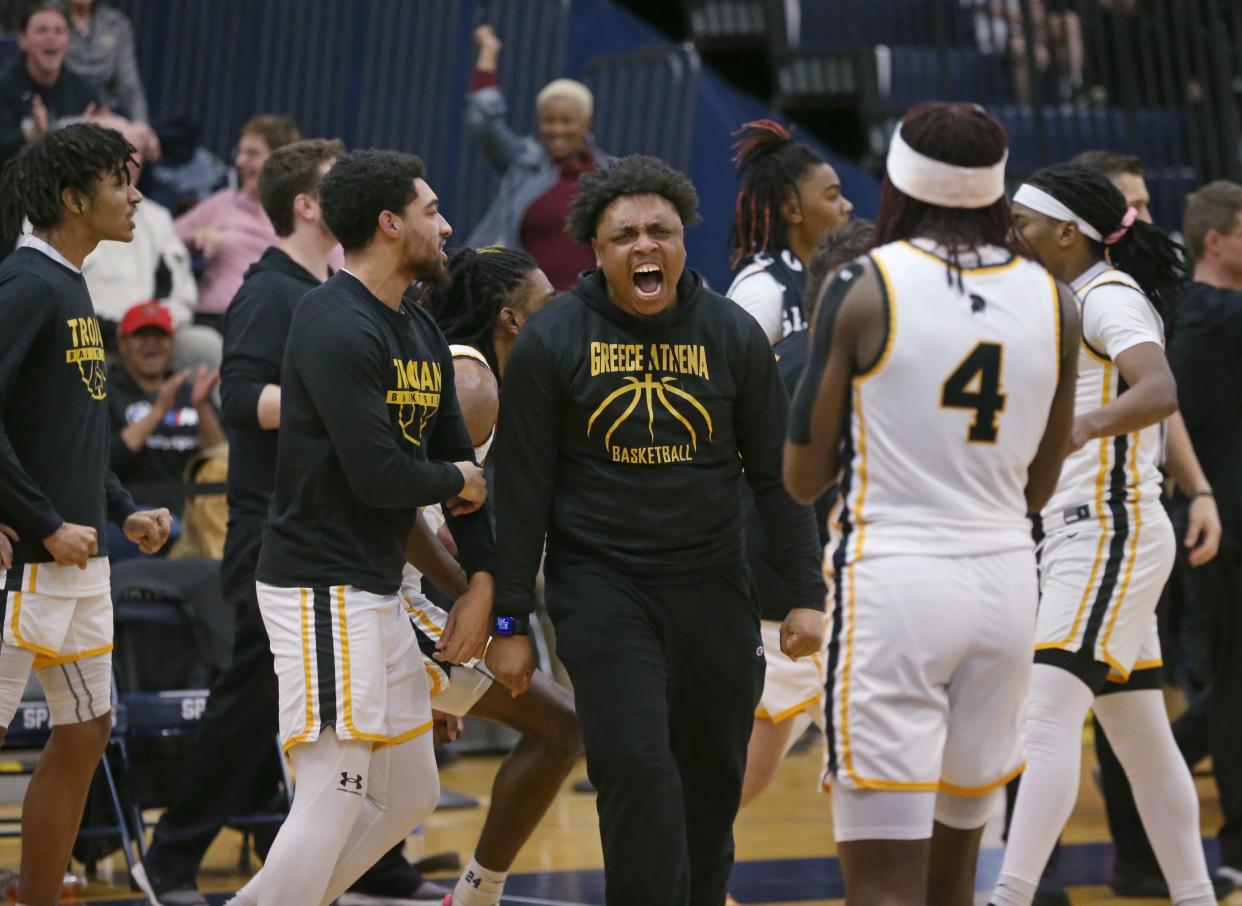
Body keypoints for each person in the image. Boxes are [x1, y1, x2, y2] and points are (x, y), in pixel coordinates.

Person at [488, 154, 825, 906]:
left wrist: (806, 593)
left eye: (661, 231)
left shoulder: (733, 335)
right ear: (597, 251)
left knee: (710, 789)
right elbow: (522, 494)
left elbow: (778, 477)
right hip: (603, 592)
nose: (645, 246)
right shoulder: (553, 341)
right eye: (625, 235)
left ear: (682, 242)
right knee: (637, 770)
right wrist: (510, 620)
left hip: (714, 588)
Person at [783, 102, 1077, 906]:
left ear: (898, 181)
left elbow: (802, 477)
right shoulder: (1058, 301)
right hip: (1009, 586)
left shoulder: (863, 284)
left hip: (897, 586)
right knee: (955, 880)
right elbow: (1039, 486)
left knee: (882, 884)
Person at [223, 149, 492, 906]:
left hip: (372, 589)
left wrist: (486, 589)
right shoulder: (331, 319)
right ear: (388, 224)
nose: (445, 226)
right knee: (334, 794)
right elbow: (384, 477)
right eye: (431, 211)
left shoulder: (418, 328)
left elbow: (462, 467)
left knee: (407, 798)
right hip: (319, 583)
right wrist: (458, 481)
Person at [992, 164, 1216, 906]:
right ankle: (1195, 895)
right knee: (1143, 740)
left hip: (1108, 532)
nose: (1011, 233)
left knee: (1046, 718)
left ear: (1066, 232)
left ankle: (1008, 896)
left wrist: (1086, 424)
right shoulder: (1061, 301)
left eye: (1022, 222)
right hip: (1081, 536)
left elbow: (1158, 388)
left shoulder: (1108, 296)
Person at [352, 245, 579, 906]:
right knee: (561, 726)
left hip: (394, 590)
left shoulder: (478, 377)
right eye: (546, 307)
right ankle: (476, 897)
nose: (557, 319)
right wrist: (468, 596)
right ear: (510, 318)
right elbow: (388, 503)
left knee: (395, 800)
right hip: (378, 589)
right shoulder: (472, 382)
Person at [0, 122, 171, 906]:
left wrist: (123, 510)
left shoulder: (76, 289)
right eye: (117, 181)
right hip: (28, 567)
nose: (134, 195)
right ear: (74, 198)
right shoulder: (28, 284)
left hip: (81, 563)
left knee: (86, 731)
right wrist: (39, 521)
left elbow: (71, 436)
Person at [1061, 148, 1227, 901]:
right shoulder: (1073, 293)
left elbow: (1163, 405)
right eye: (1129, 205)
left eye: (1147, 206)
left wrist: (1196, 490)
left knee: (1087, 711)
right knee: (1111, 717)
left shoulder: (1128, 296)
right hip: (1078, 524)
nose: (1144, 220)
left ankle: (1028, 883)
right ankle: (1146, 870)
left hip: (1128, 520)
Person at [735, 219, 875, 816]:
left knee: (863, 764)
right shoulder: (809, 370)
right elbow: (776, 494)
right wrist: (803, 595)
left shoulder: (798, 355)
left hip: (809, 593)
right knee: (746, 770)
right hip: (791, 600)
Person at [1165, 179, 1242, 890]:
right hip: (1225, 527)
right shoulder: (1212, 316)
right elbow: (1167, 412)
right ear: (1214, 240)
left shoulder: (1204, 315)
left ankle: (1148, 776)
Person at [463, 23, 610, 290]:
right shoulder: (523, 163)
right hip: (528, 308)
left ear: (586, 124)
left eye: (567, 121)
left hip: (591, 310)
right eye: (549, 121)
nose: (557, 130)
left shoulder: (611, 174)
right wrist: (488, 53)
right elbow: (483, 122)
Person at [726, 119, 853, 344]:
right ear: (792, 209)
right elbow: (725, 376)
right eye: (832, 196)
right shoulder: (763, 291)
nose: (848, 206)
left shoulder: (832, 281)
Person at [173, 114, 301, 328]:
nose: (240, 162)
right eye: (239, 152)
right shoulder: (222, 203)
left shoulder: (301, 215)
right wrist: (194, 237)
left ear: (281, 160)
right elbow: (160, 239)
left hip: (274, 327)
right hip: (214, 323)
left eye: (252, 153)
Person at [107, 300, 223, 516]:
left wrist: (202, 407)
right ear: (123, 343)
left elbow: (219, 465)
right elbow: (106, 466)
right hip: (133, 513)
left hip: (195, 514)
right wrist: (157, 412)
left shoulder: (192, 391)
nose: (151, 343)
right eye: (141, 335)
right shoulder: (106, 391)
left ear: (172, 342)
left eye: (160, 335)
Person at [0, 1, 101, 165]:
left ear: (68, 40)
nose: (51, 37)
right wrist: (29, 133)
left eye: (59, 31)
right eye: (42, 30)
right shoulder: (4, 88)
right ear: (22, 40)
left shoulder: (83, 89)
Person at [64, 0, 150, 126]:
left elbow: (129, 85)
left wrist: (141, 124)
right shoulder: (47, 18)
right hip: (61, 109)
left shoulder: (116, 24)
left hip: (105, 113)